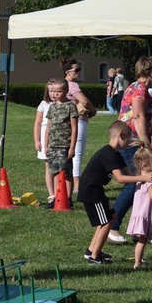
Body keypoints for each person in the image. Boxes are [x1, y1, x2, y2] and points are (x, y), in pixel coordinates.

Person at [77, 121, 152, 265]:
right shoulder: (108, 153)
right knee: (106, 222)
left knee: (111, 216)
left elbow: (129, 173)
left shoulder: (116, 154)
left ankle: (92, 250)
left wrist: (144, 172)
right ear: (121, 135)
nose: (130, 141)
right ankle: (94, 257)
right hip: (90, 190)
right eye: (129, 138)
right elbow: (120, 178)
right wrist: (143, 178)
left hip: (96, 189)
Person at [109, 56, 152, 244]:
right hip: (131, 142)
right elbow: (138, 118)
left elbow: (145, 121)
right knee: (134, 183)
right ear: (150, 72)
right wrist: (145, 144)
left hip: (132, 140)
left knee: (138, 185)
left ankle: (138, 229)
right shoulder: (139, 91)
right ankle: (112, 227)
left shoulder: (137, 88)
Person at [62, 58, 97, 194]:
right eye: (76, 70)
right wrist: (93, 110)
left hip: (66, 122)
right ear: (67, 72)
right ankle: (77, 185)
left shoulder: (61, 85)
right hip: (78, 121)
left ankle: (68, 182)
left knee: (69, 153)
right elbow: (84, 101)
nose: (78, 72)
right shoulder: (73, 85)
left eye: (79, 69)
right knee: (77, 154)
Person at [43, 78, 78, 208]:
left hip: (65, 145)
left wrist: (72, 147)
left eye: (59, 91)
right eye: (54, 91)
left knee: (66, 173)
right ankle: (57, 197)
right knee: (55, 171)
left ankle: (67, 198)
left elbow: (74, 128)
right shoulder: (52, 107)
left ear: (66, 91)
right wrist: (46, 145)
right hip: (53, 145)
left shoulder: (70, 106)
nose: (56, 94)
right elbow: (48, 127)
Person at [34, 80, 55, 206]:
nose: (53, 94)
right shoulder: (43, 104)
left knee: (58, 166)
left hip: (58, 135)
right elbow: (37, 123)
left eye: (55, 91)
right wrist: (37, 140)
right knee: (48, 165)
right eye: (51, 91)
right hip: (44, 135)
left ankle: (60, 192)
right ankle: (51, 194)